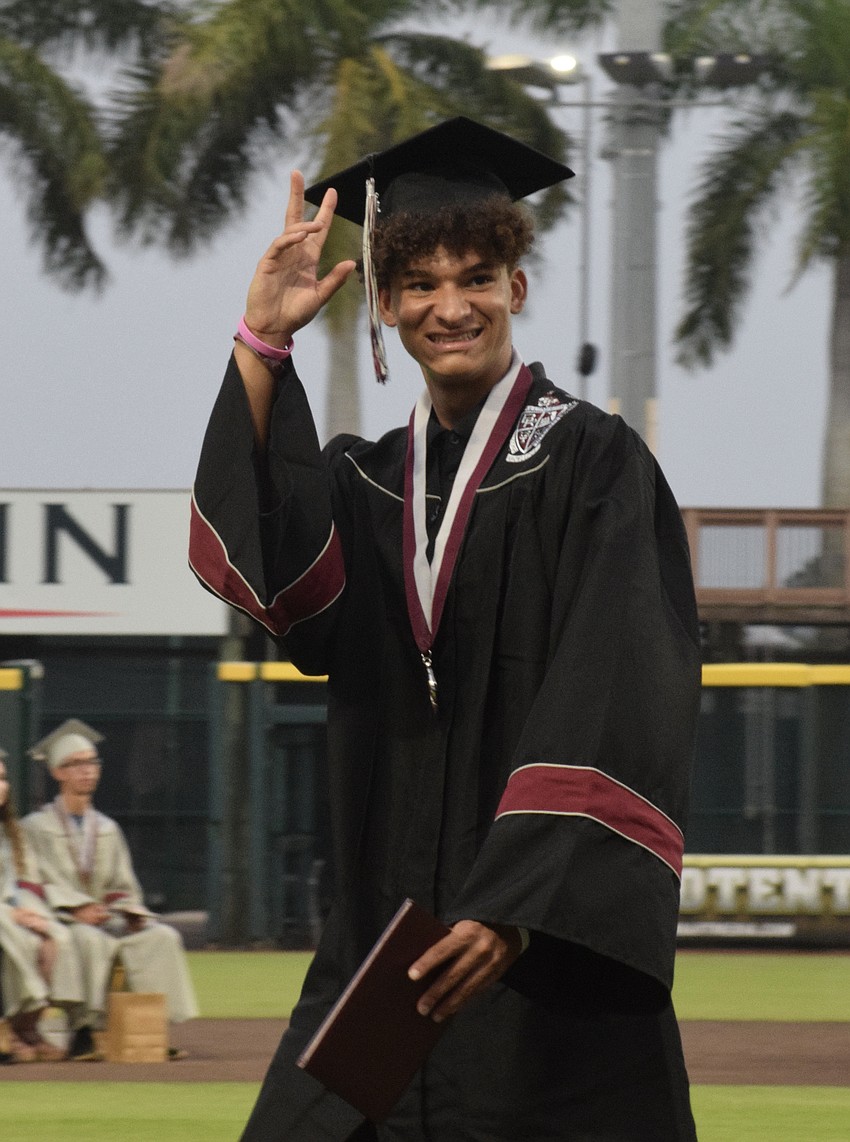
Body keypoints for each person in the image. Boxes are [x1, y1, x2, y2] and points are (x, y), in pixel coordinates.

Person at [189, 117, 702, 1140]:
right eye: (417, 283)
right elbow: (271, 583)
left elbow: (617, 678)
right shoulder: (364, 478)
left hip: (537, 954)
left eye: (475, 276)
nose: (448, 305)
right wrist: (261, 342)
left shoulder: (593, 464)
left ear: (515, 286)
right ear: (384, 304)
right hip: (382, 944)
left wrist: (514, 902)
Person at [21, 720, 199, 1061]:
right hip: (61, 922)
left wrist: (129, 912)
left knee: (160, 937)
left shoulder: (106, 828)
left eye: (92, 763)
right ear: (58, 773)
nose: (87, 771)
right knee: (88, 940)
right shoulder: (35, 828)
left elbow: (121, 886)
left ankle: (149, 1029)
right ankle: (83, 1032)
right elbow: (32, 883)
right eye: (77, 764)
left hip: (105, 919)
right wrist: (74, 909)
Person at [0, 747, 81, 1061]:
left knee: (52, 938)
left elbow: (23, 882)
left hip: (10, 912)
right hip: (4, 916)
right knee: (13, 933)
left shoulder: (11, 833)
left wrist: (32, 913)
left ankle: (26, 1029)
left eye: (4, 778)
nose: (2, 786)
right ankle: (8, 1029)